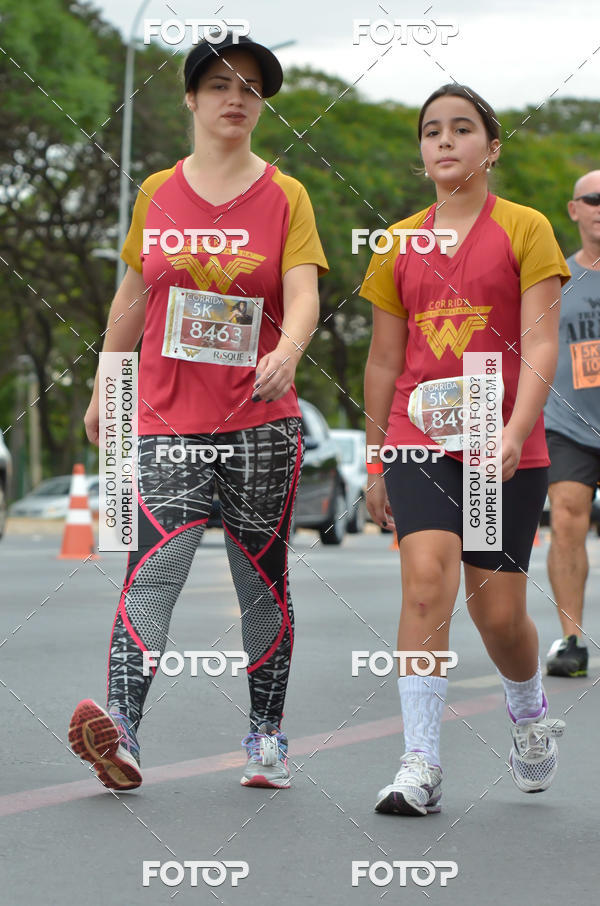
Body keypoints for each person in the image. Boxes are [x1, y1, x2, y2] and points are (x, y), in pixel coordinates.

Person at [68, 33, 328, 791]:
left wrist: (289, 352)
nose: (236, 98)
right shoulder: (157, 191)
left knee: (262, 582)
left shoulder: (286, 195)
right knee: (153, 572)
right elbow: (131, 296)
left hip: (260, 424)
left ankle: (266, 738)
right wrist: (101, 384)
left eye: (249, 87)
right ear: (190, 98)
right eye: (219, 85)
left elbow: (305, 290)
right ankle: (121, 731)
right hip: (168, 420)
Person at [360, 84, 570, 816]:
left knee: (499, 616)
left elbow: (542, 340)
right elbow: (385, 361)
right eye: (431, 132)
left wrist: (514, 430)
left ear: (491, 146)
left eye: (462, 129)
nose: (444, 141)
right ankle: (420, 763)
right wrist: (376, 456)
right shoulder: (396, 243)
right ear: (422, 154)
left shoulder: (526, 227)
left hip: (500, 441)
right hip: (420, 438)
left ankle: (529, 709)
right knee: (425, 580)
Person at [544, 170, 600, 677]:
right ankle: (571, 641)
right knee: (566, 517)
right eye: (595, 199)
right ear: (574, 209)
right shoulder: (554, 277)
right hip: (568, 422)